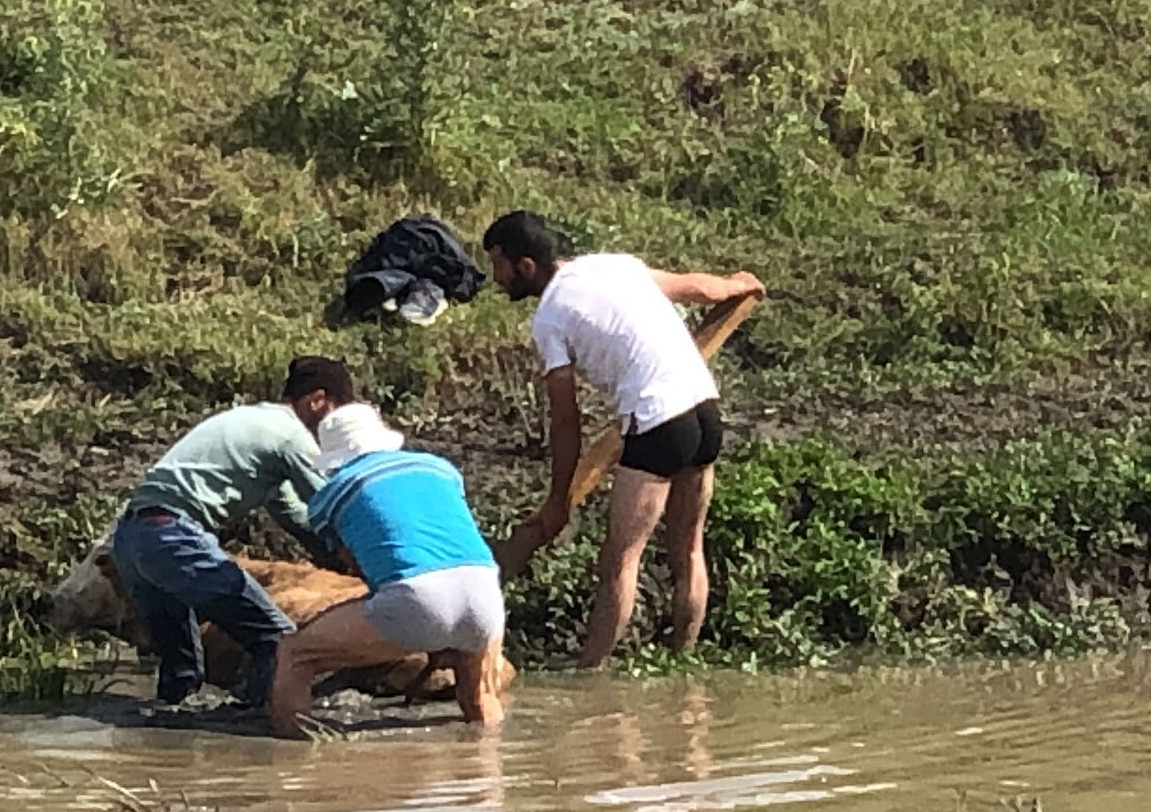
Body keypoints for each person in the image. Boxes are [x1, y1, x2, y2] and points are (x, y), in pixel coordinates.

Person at [482, 209, 764, 670]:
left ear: (525, 266)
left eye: (499, 265)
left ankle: (590, 674)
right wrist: (739, 285)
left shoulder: (550, 318)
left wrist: (557, 499)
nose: (496, 278)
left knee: (619, 559)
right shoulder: (613, 264)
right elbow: (697, 287)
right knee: (689, 548)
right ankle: (681, 662)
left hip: (658, 422)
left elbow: (565, 419)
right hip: (704, 410)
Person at [110, 357, 354, 709]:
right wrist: (370, 559)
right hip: (173, 536)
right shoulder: (292, 437)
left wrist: (333, 558)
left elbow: (293, 516)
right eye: (336, 414)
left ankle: (169, 737)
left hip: (132, 539)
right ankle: (257, 724)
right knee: (277, 640)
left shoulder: (252, 422)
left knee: (182, 667)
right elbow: (334, 503)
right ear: (316, 400)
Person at [271, 403, 510, 740]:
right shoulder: (441, 469)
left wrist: (421, 624)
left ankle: (297, 757)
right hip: (485, 589)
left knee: (295, 655)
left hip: (418, 595)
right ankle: (490, 776)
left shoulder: (330, 497)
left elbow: (361, 565)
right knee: (480, 700)